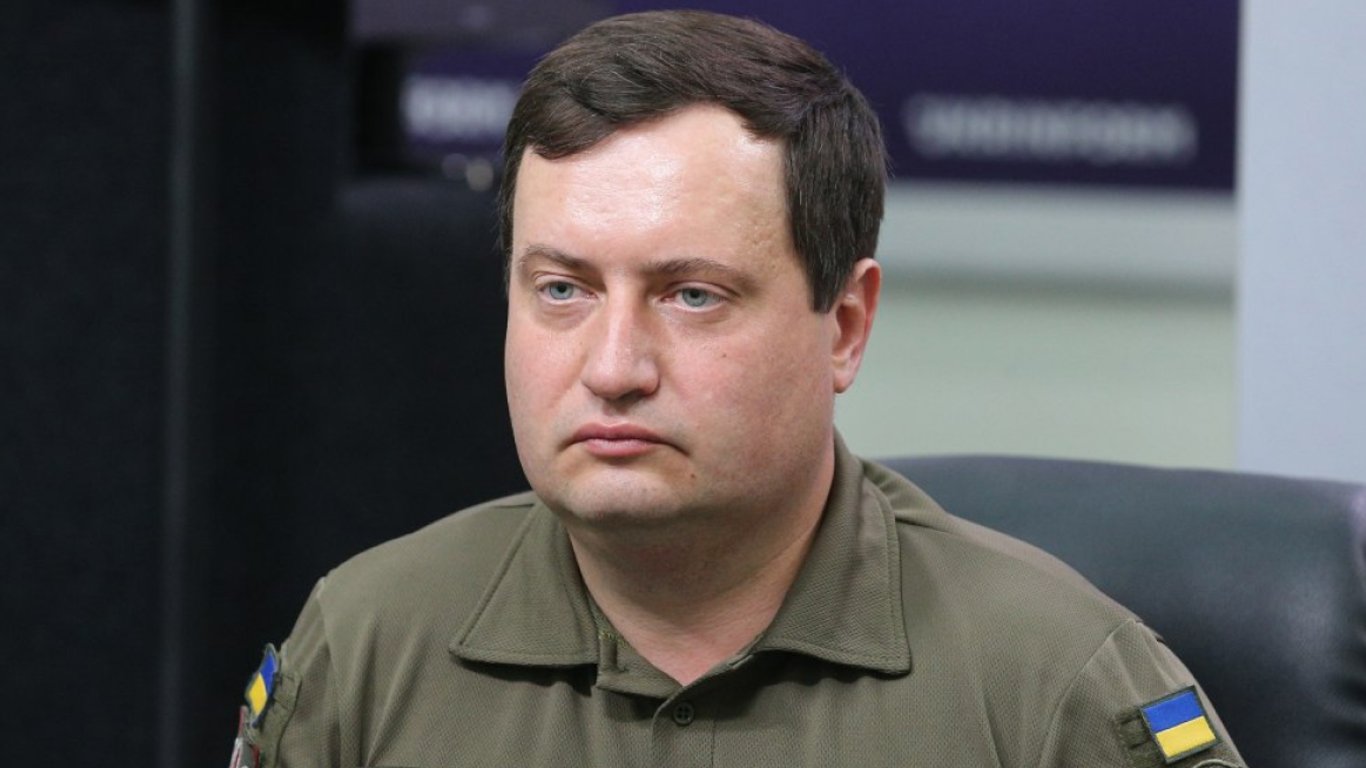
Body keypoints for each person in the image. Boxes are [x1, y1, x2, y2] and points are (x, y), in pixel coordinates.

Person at [230, 10, 1244, 768]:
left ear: (844, 327)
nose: (613, 368)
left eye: (693, 296)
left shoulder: (1053, 687)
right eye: (562, 290)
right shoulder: (366, 648)